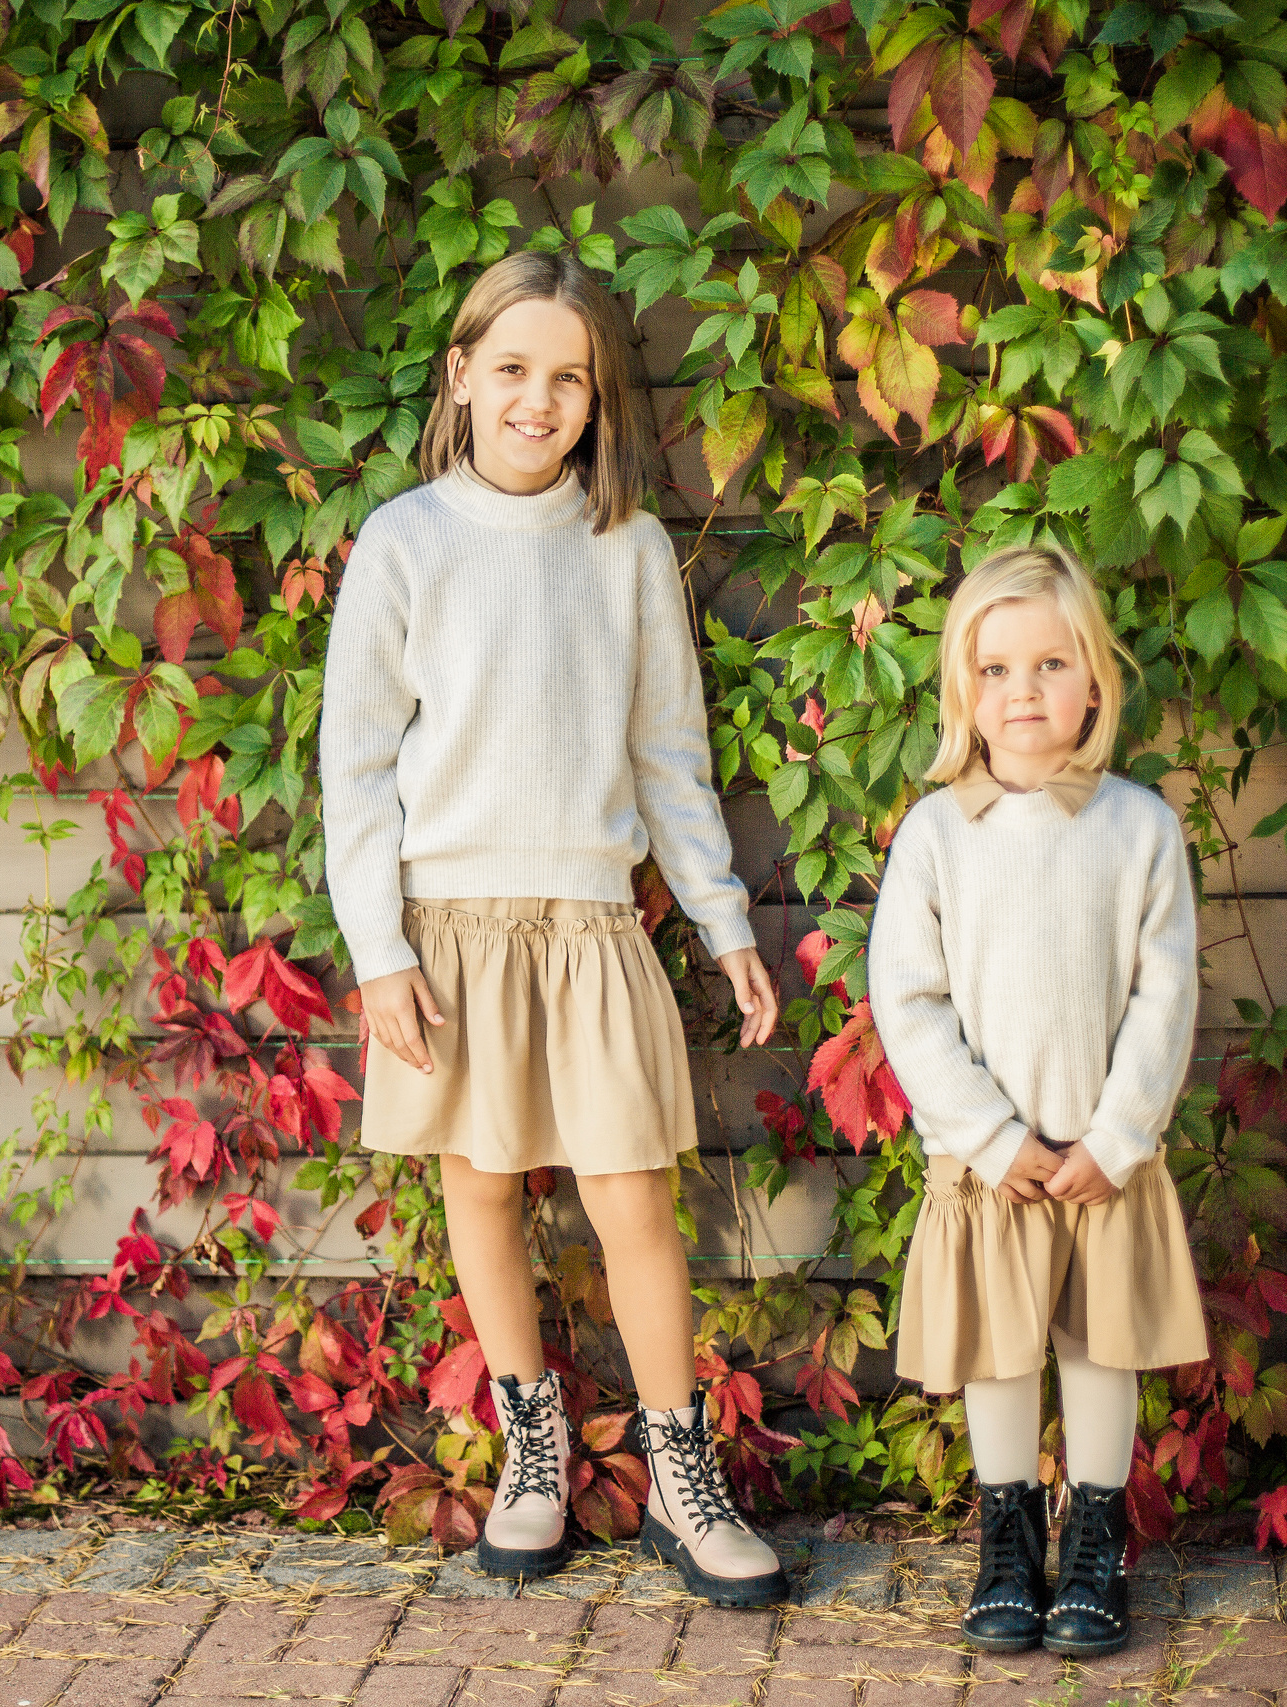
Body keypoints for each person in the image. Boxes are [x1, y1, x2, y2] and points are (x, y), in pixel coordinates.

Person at [317, 251, 789, 1607]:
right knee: (480, 1184)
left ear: (596, 399)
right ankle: (534, 1450)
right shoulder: (405, 540)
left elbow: (668, 754)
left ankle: (680, 1475)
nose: (539, 399)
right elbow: (357, 766)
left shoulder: (624, 546)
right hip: (448, 927)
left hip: (589, 923)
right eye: (513, 368)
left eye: (568, 378)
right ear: (461, 374)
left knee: (631, 1192)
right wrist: (378, 949)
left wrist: (723, 921)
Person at [866, 544, 1209, 1657]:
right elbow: (907, 1000)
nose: (1023, 691)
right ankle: (1007, 1545)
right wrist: (988, 1135)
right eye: (996, 668)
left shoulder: (1139, 827)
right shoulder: (936, 836)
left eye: (1051, 664)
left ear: (1094, 684)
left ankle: (1096, 1546)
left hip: (1104, 1160)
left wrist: (1119, 1135)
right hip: (994, 1168)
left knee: (1100, 1349)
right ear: (963, 691)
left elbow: (1166, 993)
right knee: (1002, 1353)